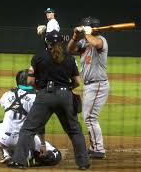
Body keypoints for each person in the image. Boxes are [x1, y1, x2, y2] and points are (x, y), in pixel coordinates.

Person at [8, 30, 90, 170]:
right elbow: (77, 82)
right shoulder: (69, 58)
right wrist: (67, 88)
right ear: (61, 42)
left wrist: (41, 88)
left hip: (44, 96)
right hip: (65, 97)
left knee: (28, 129)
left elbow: (30, 80)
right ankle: (83, 163)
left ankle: (19, 161)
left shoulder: (38, 57)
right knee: (75, 131)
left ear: (47, 42)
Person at [0, 69, 61, 166]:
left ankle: (6, 154)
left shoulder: (7, 94)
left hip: (3, 139)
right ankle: (31, 157)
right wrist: (42, 144)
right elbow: (40, 124)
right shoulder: (36, 98)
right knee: (56, 156)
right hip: (23, 140)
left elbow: (6, 106)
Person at [67, 16, 109, 159]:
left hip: (98, 84)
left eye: (84, 26)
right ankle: (95, 147)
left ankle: (98, 149)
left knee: (90, 118)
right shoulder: (84, 41)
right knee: (88, 117)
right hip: (90, 85)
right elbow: (68, 51)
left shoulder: (101, 40)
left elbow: (96, 44)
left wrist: (86, 32)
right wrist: (74, 36)